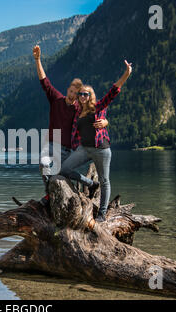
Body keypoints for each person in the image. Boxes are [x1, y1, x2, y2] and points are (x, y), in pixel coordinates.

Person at [33, 45, 108, 205]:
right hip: (51, 145)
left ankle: (90, 184)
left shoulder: (79, 109)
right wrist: (38, 59)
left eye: (77, 93)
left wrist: (105, 122)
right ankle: (49, 195)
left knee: (61, 173)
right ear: (68, 90)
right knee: (44, 164)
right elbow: (43, 80)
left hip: (68, 149)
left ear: (80, 95)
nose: (73, 95)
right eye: (72, 91)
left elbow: (97, 109)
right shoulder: (56, 98)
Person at [60, 60, 133, 222]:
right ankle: (90, 184)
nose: (83, 96)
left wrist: (126, 74)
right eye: (81, 94)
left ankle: (102, 214)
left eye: (86, 94)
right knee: (64, 170)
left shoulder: (98, 107)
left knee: (105, 180)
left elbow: (113, 92)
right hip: (84, 149)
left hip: (101, 149)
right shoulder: (77, 111)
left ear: (90, 96)